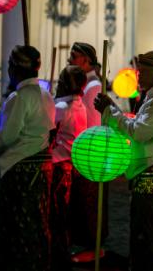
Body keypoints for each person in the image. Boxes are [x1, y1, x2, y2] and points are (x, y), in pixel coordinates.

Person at [95, 51, 153, 271]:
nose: (138, 76)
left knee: (152, 238)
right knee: (147, 236)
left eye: (142, 72)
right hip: (148, 176)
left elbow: (139, 132)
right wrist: (113, 109)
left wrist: (109, 111)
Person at [0, 45, 56, 271]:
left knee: (18, 227)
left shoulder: (19, 98)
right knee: (37, 223)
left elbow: (8, 136)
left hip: (21, 171)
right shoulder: (46, 94)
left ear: (14, 69)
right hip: (42, 169)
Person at [67, 42, 108, 262]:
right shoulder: (86, 84)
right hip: (86, 151)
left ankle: (95, 248)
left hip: (91, 153)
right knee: (84, 203)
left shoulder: (93, 87)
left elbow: (91, 125)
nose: (70, 60)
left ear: (85, 60)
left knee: (91, 203)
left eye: (73, 56)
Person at [50, 65, 87, 271]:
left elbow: (49, 132)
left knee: (55, 214)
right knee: (63, 212)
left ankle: (57, 255)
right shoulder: (80, 105)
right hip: (69, 165)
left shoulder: (61, 107)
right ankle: (62, 252)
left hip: (57, 164)